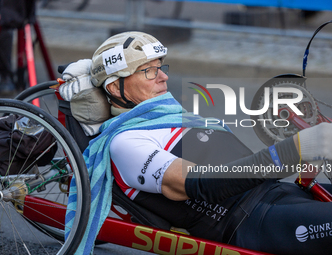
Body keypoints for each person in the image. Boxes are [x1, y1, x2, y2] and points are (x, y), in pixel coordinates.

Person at [63, 31, 332, 255]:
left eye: (160, 67)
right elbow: (202, 184)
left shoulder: (169, 118)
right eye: (148, 71)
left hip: (281, 195)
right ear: (113, 88)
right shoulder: (126, 143)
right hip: (253, 224)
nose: (163, 76)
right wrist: (293, 150)